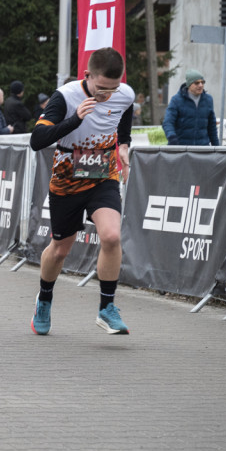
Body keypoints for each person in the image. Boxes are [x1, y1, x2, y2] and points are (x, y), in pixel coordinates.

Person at [29, 47, 134, 336]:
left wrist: (123, 144)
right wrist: (74, 119)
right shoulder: (65, 96)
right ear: (87, 76)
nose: (107, 95)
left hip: (103, 174)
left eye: (113, 89)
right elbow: (36, 140)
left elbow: (124, 115)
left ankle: (107, 308)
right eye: (101, 89)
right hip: (67, 179)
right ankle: (45, 299)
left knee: (111, 236)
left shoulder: (125, 93)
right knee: (60, 249)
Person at [162, 70, 220, 146]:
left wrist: (216, 147)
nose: (200, 85)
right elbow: (168, 122)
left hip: (202, 149)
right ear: (189, 84)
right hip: (180, 148)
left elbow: (211, 126)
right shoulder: (176, 100)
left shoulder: (208, 100)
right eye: (197, 83)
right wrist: (172, 138)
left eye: (202, 82)